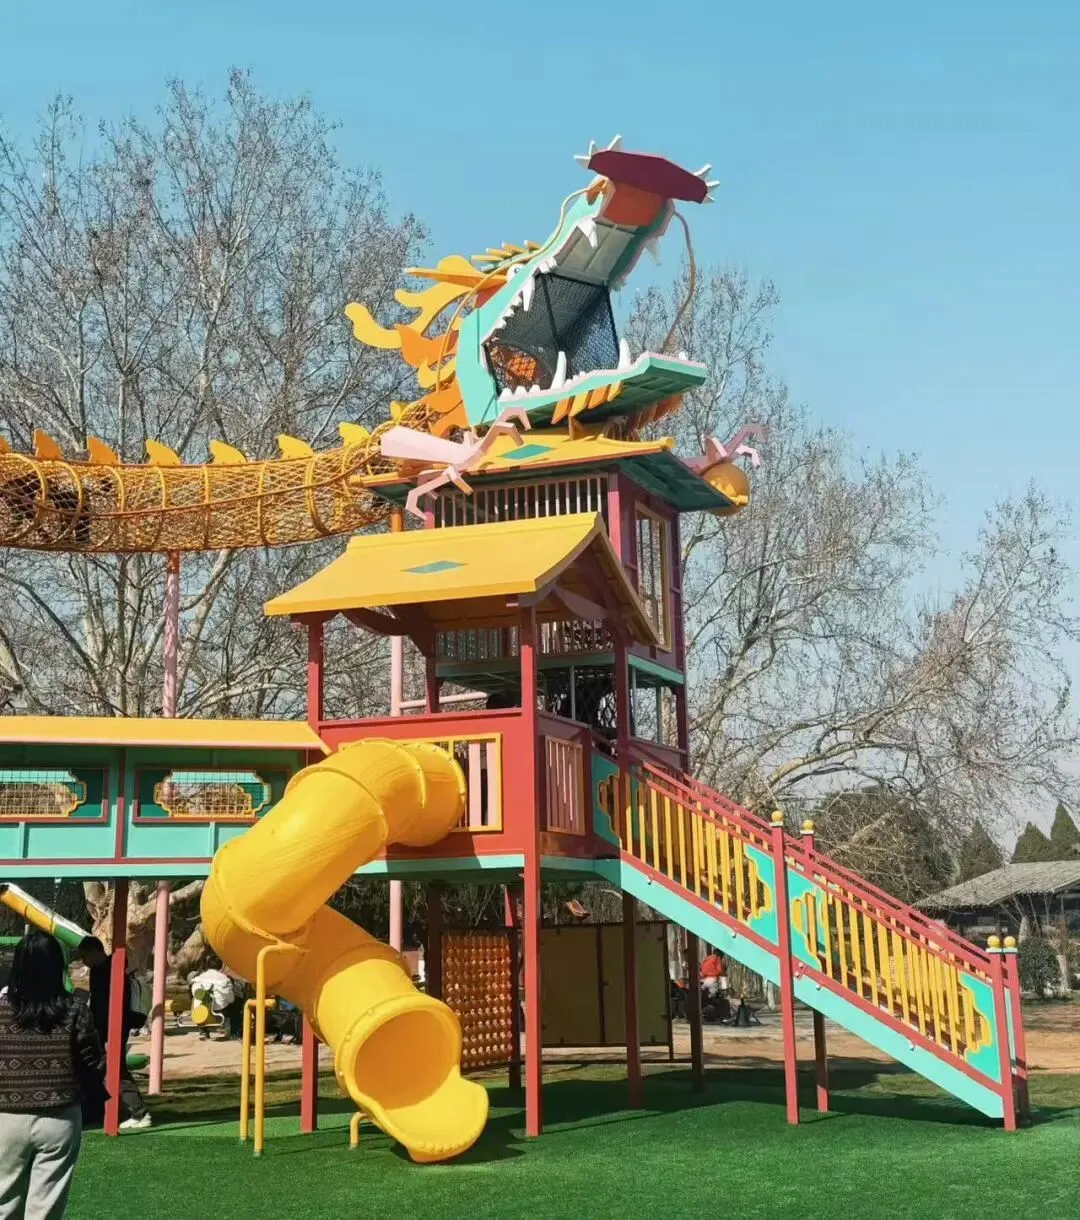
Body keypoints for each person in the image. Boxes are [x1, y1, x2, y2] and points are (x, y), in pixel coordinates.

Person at [0, 930, 104, 1218]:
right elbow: (92, 1060)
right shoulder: (76, 1008)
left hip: (6, 1116)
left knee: (4, 1203)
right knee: (45, 1208)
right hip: (60, 1115)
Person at [75, 937, 151, 1130]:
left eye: (85, 956)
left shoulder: (112, 971)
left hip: (113, 1027)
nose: (83, 961)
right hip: (101, 1029)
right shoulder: (98, 971)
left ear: (95, 952)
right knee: (102, 1068)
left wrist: (108, 1033)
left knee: (115, 1069)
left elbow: (112, 1005)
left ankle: (139, 1112)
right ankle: (99, 1110)